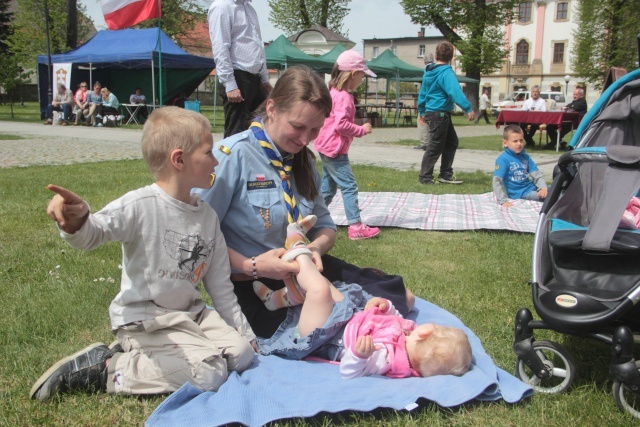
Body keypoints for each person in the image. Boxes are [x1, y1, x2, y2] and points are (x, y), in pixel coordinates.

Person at [30, 107, 256, 402]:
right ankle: (107, 368)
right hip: (146, 319)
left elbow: (220, 287)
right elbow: (93, 233)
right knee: (209, 373)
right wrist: (78, 221)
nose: (216, 160)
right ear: (179, 159)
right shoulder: (140, 205)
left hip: (191, 315)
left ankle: (173, 354)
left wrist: (245, 334)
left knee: (242, 354)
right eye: (208, 152)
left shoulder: (208, 216)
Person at [195, 66, 413, 339]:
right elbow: (197, 237)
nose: (304, 139)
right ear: (272, 108)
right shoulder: (230, 157)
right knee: (324, 334)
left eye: (314, 130)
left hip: (304, 270)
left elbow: (325, 226)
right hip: (252, 284)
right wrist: (254, 265)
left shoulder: (303, 161)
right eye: (298, 127)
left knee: (400, 297)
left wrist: (313, 250)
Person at [254, 216, 472, 379]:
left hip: (321, 337)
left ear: (426, 333)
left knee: (319, 290)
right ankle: (280, 299)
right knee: (326, 288)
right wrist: (385, 307)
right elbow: (393, 317)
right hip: (343, 317)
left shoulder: (384, 358)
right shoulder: (407, 332)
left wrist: (358, 355)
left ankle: (297, 246)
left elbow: (349, 372)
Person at [314, 50, 380, 241]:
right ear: (353, 74)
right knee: (349, 186)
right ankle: (355, 226)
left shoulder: (333, 92)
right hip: (335, 150)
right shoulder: (343, 96)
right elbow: (341, 125)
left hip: (325, 146)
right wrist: (361, 129)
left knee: (328, 187)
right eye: (362, 75)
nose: (362, 79)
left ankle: (314, 218)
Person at [208, 0, 272, 138]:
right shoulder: (222, 6)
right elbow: (220, 47)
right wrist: (230, 84)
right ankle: (230, 160)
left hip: (255, 78)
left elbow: (258, 46)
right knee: (236, 134)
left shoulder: (250, 9)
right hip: (238, 76)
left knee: (258, 132)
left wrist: (265, 79)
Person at [417, 42, 475, 185]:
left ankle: (445, 174)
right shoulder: (446, 73)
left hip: (434, 112)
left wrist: (422, 110)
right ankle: (425, 177)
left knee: (451, 142)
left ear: (435, 55)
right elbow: (455, 92)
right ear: (451, 58)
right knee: (435, 146)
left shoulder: (428, 72)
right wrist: (468, 108)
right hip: (439, 114)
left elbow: (423, 93)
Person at [493, 125, 548, 207]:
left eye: (521, 140)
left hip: (531, 188)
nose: (519, 144)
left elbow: (537, 175)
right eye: (515, 141)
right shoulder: (503, 160)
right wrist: (502, 201)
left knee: (557, 188)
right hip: (520, 194)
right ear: (505, 143)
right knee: (552, 197)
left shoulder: (525, 157)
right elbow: (496, 181)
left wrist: (543, 187)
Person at [414, 53, 434, 151]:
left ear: (424, 61)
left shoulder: (426, 71)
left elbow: (423, 91)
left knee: (422, 121)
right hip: (434, 102)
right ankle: (431, 142)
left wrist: (421, 106)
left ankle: (425, 142)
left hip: (426, 101)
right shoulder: (436, 69)